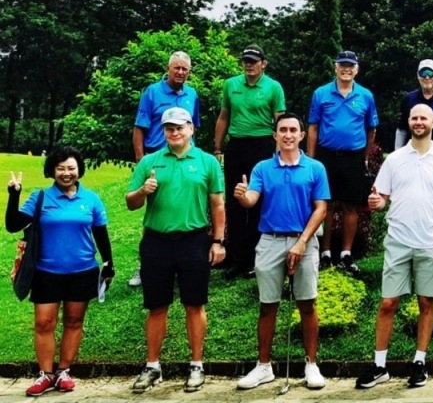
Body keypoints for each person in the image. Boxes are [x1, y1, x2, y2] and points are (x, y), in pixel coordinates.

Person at [355, 104, 433, 390]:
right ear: (408, 122)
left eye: (423, 117)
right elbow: (381, 198)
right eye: (414, 118)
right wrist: (377, 203)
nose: (418, 122)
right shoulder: (394, 159)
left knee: (426, 302)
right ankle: (380, 366)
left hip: (430, 242)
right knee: (388, 303)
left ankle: (419, 362)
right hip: (398, 241)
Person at [126, 107, 226, 394]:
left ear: (191, 129)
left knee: (194, 304)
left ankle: (196, 364)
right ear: (164, 131)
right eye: (169, 128)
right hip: (156, 241)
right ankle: (152, 366)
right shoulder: (150, 162)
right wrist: (143, 191)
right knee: (156, 305)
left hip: (194, 240)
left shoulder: (207, 162)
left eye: (180, 127)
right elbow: (131, 202)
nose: (174, 132)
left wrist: (218, 241)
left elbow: (218, 204)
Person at [5, 147, 114, 397]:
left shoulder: (91, 199)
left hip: (83, 270)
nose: (66, 173)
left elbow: (101, 233)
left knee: (74, 321)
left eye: (71, 168)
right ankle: (46, 374)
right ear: (52, 171)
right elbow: (12, 225)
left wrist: (109, 262)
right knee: (44, 323)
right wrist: (14, 195)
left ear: (79, 170)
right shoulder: (40, 197)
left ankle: (64, 371)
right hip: (46, 271)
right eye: (60, 168)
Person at [233, 113, 330, 391]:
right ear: (275, 135)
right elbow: (252, 199)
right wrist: (243, 196)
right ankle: (264, 367)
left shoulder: (315, 168)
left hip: (304, 241)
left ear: (301, 135)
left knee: (307, 303)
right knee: (267, 305)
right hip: (270, 241)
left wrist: (301, 242)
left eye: (293, 130)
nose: (288, 135)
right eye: (282, 130)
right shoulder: (263, 168)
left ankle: (311, 365)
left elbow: (321, 209)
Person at [129, 51, 202, 288]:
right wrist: (141, 160)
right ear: (168, 68)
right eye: (176, 68)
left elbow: (194, 126)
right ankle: (145, 265)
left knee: (184, 209)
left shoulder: (192, 94)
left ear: (189, 72)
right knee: (155, 213)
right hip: (157, 159)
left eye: (185, 69)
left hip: (185, 159)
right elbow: (140, 127)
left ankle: (184, 264)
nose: (180, 72)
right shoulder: (152, 92)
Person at [214, 44, 286, 280]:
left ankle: (256, 258)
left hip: (262, 146)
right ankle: (236, 258)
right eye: (246, 60)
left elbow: (280, 121)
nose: (249, 65)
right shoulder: (231, 84)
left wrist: (279, 154)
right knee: (235, 200)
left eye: (254, 61)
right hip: (237, 146)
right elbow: (224, 117)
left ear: (263, 64)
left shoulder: (273, 87)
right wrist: (218, 148)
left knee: (258, 201)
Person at [307, 50, 379, 274]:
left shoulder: (366, 95)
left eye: (350, 66)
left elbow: (371, 130)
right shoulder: (321, 93)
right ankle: (325, 252)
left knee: (350, 206)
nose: (346, 69)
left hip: (353, 157)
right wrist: (310, 159)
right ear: (336, 67)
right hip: (327, 156)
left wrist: (364, 157)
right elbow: (313, 128)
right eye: (342, 65)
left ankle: (346, 254)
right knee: (326, 205)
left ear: (356, 69)